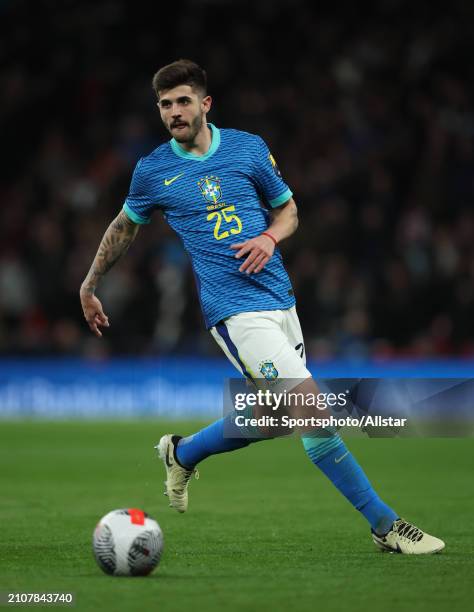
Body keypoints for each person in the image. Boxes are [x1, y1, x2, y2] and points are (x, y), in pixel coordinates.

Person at [80, 59, 444, 554]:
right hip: (234, 312)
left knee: (275, 415)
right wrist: (90, 282)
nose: (174, 112)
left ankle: (181, 452)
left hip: (279, 299)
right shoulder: (153, 171)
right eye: (165, 104)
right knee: (313, 413)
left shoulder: (248, 148)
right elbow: (124, 226)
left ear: (205, 104)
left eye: (183, 101)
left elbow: (289, 210)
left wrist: (271, 237)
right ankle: (385, 525)